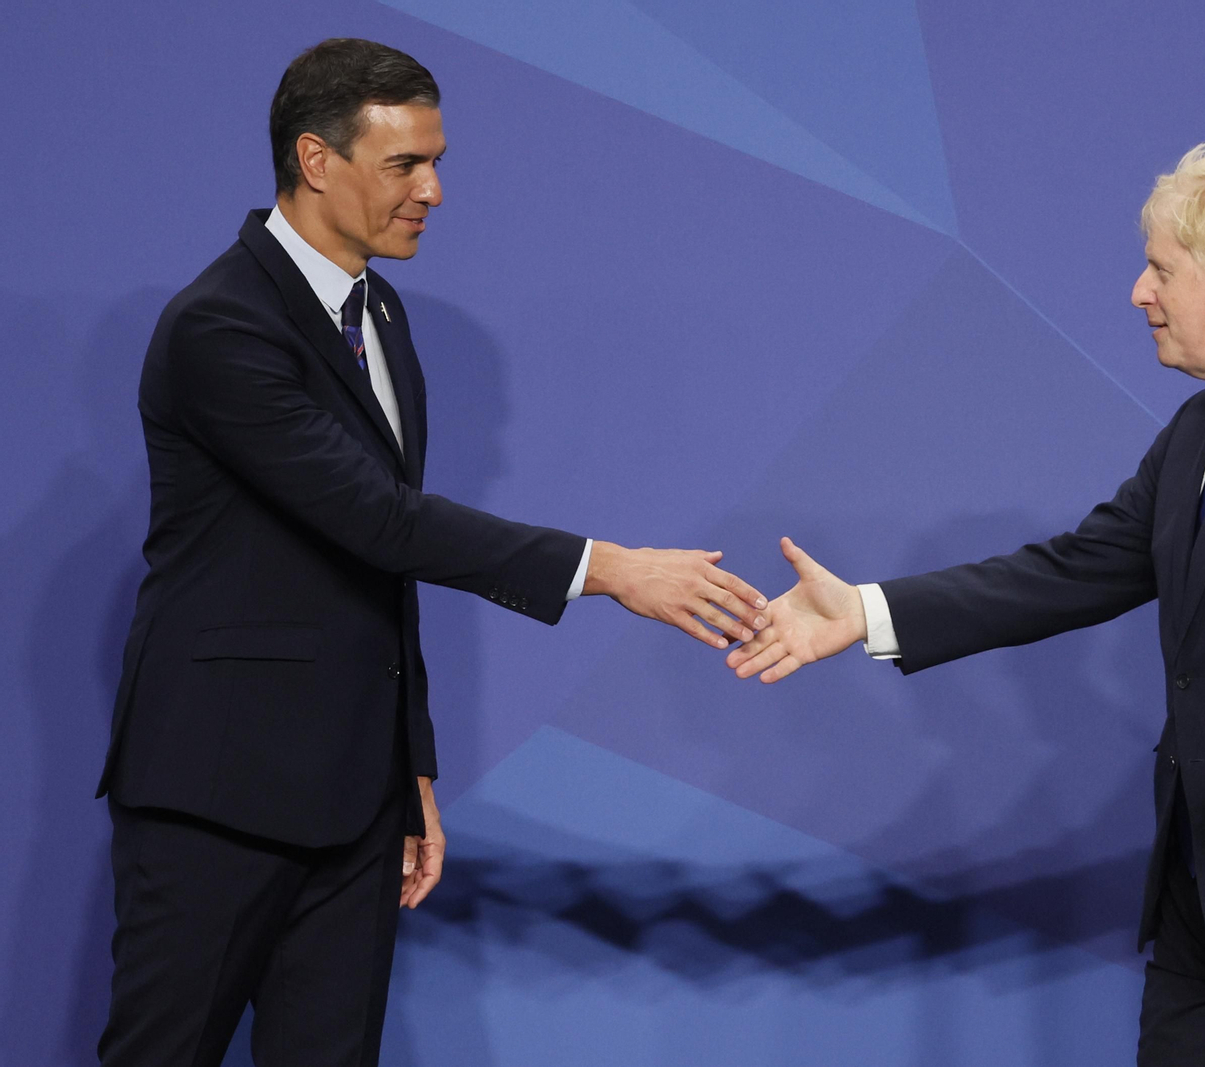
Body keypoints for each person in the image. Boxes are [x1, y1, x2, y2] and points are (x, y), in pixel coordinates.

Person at [728, 142, 1205, 1065]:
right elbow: (1076, 569)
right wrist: (865, 612)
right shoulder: (1198, 431)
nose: (1140, 292)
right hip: (1202, 900)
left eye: (1162, 268)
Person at [96, 38, 767, 1067]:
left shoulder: (382, 314)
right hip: (216, 794)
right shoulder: (220, 326)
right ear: (315, 161)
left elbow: (375, 578)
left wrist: (407, 767)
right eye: (405, 164)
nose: (435, 191)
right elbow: (380, 520)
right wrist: (612, 567)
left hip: (353, 799)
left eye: (435, 160)